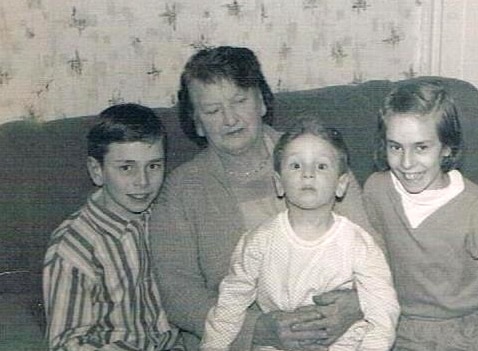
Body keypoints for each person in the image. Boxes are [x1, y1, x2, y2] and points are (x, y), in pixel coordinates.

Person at [150, 46, 375, 350]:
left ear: (262, 102)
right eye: (213, 110)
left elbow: (372, 249)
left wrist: (355, 304)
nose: (230, 119)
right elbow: (178, 293)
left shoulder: (316, 156)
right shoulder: (181, 190)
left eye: (239, 101)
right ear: (198, 123)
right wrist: (255, 329)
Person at [200, 119, 399, 351]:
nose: (308, 174)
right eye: (296, 166)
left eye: (321, 166)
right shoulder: (258, 242)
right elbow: (230, 305)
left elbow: (383, 310)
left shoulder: (358, 244)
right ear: (279, 183)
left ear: (341, 184)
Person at [363, 81, 478, 351]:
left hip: (464, 335)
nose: (406, 163)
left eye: (421, 147)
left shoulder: (477, 208)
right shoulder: (377, 190)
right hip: (392, 329)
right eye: (395, 147)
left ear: (447, 148)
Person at [42, 104, 184, 350]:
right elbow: (66, 345)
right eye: (126, 168)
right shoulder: (73, 250)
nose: (143, 182)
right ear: (97, 171)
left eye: (153, 166)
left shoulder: (163, 215)